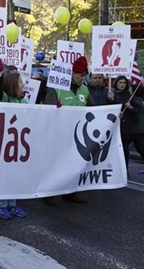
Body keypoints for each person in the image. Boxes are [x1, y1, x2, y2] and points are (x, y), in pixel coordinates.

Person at [42, 56, 92, 205]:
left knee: (74, 164)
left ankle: (70, 191)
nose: (82, 79)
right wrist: (54, 108)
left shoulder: (85, 89)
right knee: (56, 164)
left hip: (77, 135)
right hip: (58, 134)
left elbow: (94, 109)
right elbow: (46, 111)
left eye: (84, 75)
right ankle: (48, 193)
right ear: (72, 73)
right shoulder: (56, 89)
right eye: (80, 75)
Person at [0, 70, 28, 219]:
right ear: (13, 85)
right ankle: (1, 206)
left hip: (18, 143)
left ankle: (12, 204)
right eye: (20, 83)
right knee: (4, 175)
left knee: (15, 175)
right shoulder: (6, 99)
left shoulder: (23, 100)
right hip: (4, 144)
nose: (23, 85)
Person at [112, 76, 144, 176]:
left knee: (126, 149)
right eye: (120, 82)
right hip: (123, 127)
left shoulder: (131, 97)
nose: (122, 84)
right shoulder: (114, 94)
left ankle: (125, 171)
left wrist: (130, 108)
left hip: (129, 128)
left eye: (124, 83)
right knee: (139, 148)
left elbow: (136, 111)